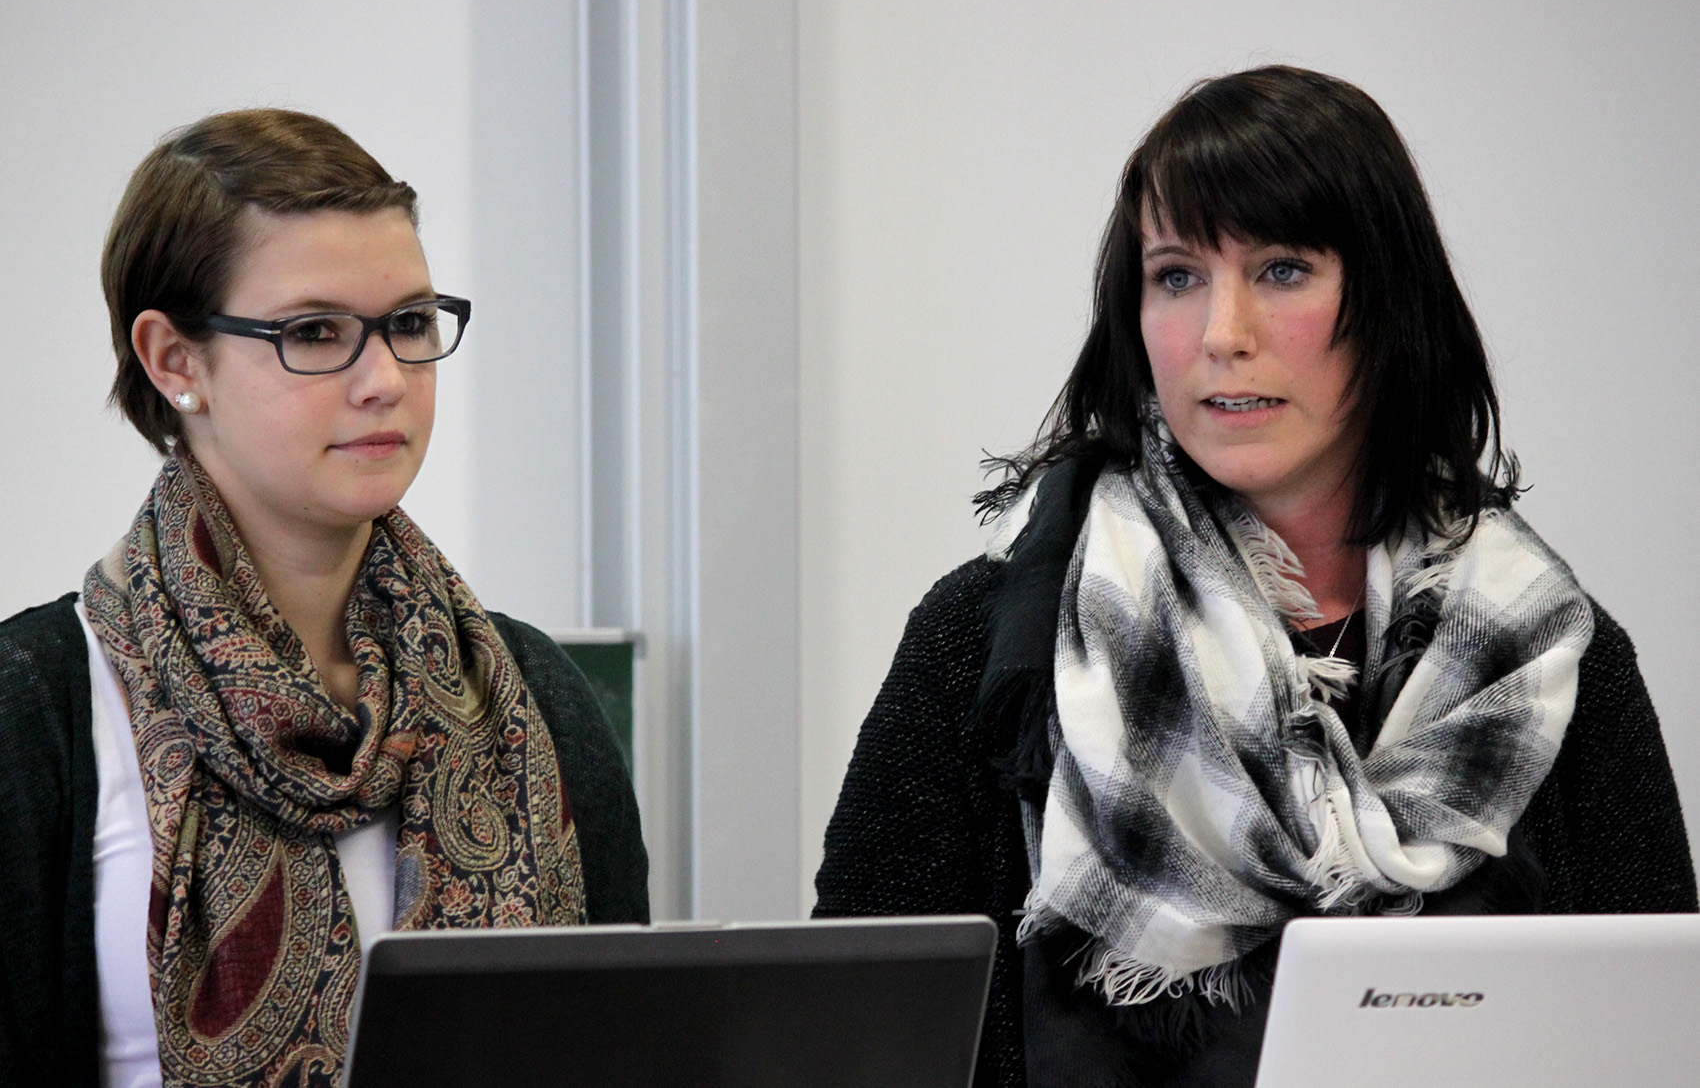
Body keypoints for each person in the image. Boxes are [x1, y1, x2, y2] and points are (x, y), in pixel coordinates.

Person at [814, 65, 1696, 1088]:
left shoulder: (1546, 652)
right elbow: (854, 1035)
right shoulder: (984, 642)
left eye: (1280, 269)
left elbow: (1654, 1034)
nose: (1220, 333)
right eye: (1176, 275)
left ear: (1386, 304)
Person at [0, 110, 648, 1088]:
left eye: (411, 323)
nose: (384, 378)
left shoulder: (534, 695)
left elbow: (630, 1042)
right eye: (314, 332)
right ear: (175, 359)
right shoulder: (38, 709)